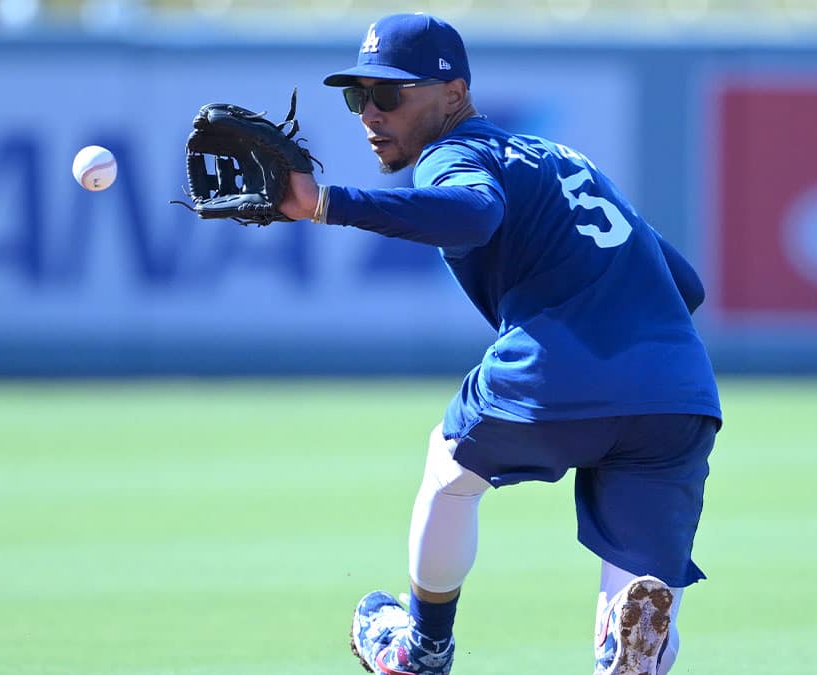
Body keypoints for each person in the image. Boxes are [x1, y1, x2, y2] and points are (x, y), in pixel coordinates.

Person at [279, 13, 721, 675]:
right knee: (637, 587)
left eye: (390, 94)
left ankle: (421, 646)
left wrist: (324, 202)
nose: (370, 112)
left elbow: (474, 212)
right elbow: (684, 283)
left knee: (449, 466)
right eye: (357, 96)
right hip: (679, 392)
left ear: (453, 93)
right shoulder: (562, 160)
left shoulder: (456, 154)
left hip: (557, 370)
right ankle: (623, 639)